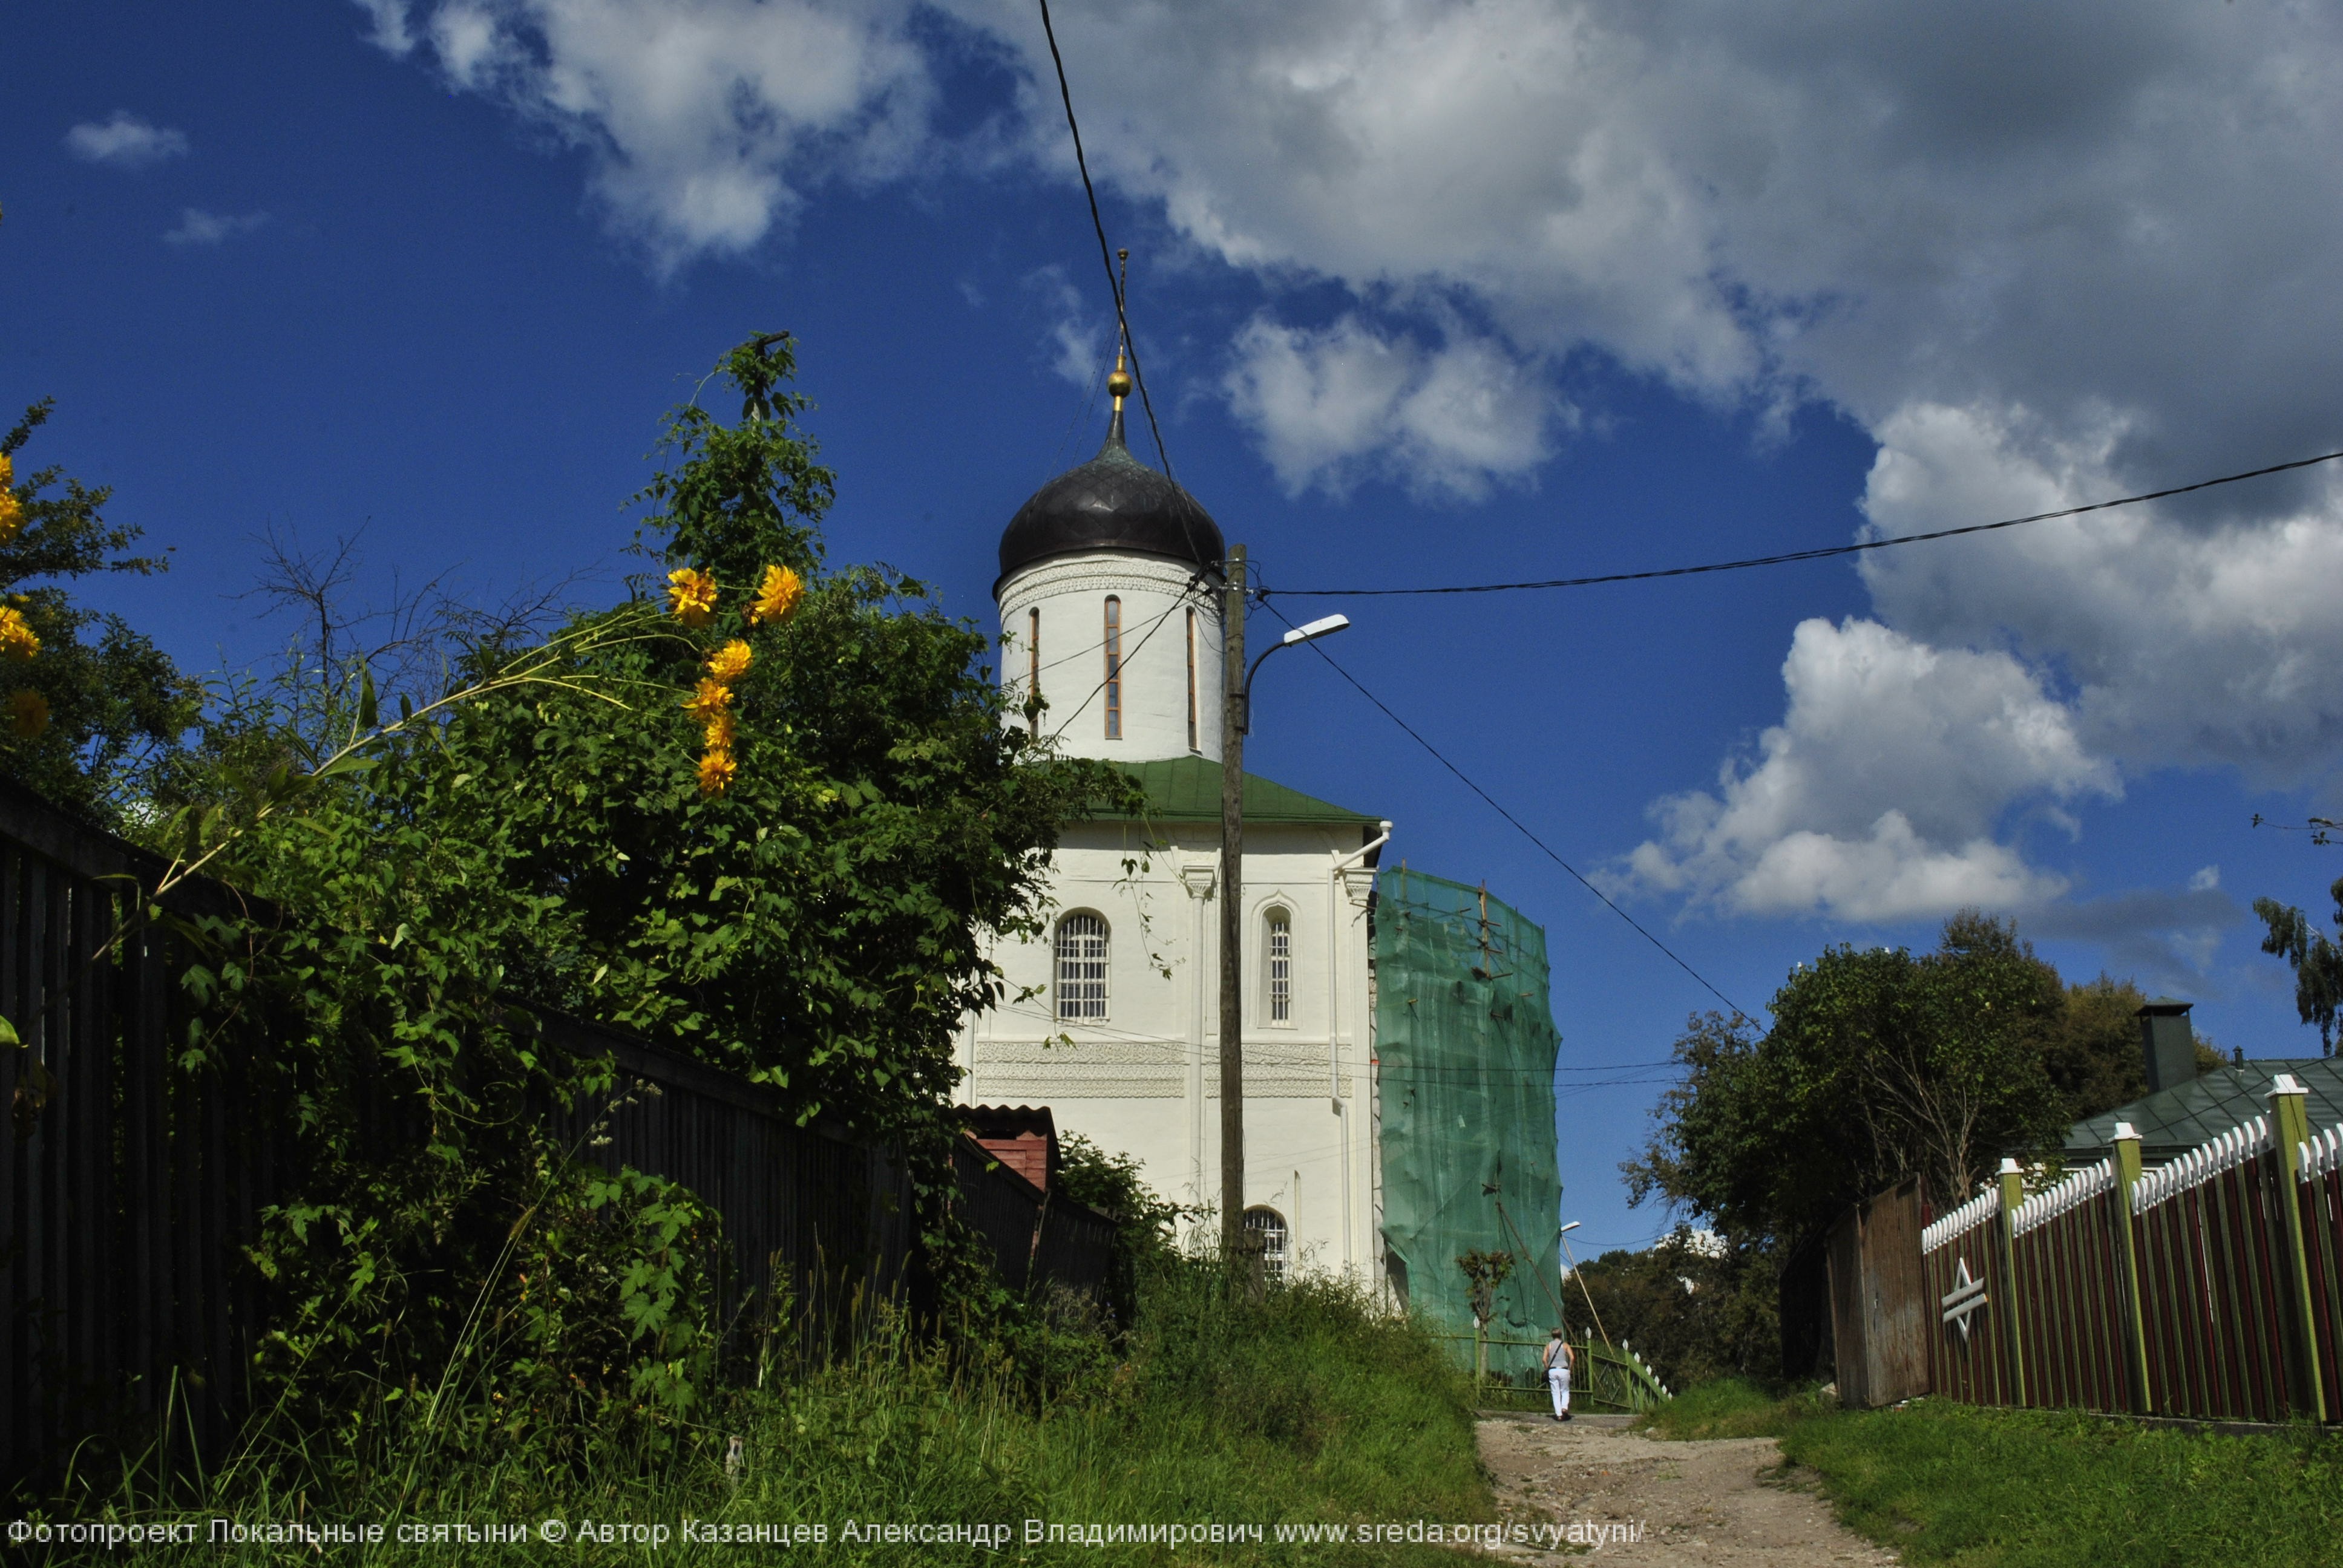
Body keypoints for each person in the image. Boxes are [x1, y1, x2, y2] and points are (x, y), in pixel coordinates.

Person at [1542, 1327, 1573, 1422]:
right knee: (1565, 1390)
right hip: (1564, 1370)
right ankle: (1564, 1407)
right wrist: (1570, 1369)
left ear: (1552, 1336)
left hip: (1553, 1370)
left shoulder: (1549, 1346)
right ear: (1561, 1335)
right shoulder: (1565, 1345)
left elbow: (1544, 1359)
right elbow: (1572, 1358)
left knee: (1555, 1393)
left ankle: (1559, 1415)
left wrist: (1548, 1368)